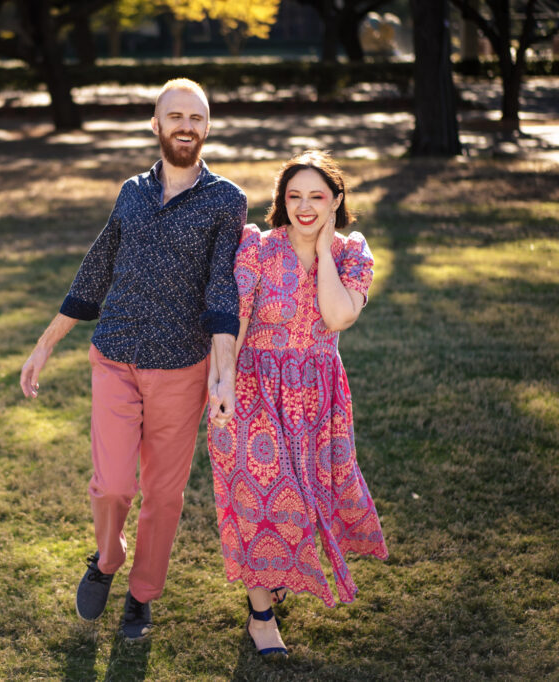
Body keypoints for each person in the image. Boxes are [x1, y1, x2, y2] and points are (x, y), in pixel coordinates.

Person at [19, 78, 247, 641]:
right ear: (156, 124)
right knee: (113, 486)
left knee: (164, 496)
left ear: (208, 127)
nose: (186, 127)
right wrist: (47, 342)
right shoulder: (131, 192)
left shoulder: (226, 201)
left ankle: (141, 597)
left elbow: (223, 291)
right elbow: (97, 267)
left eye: (197, 117)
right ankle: (106, 556)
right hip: (115, 356)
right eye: (176, 116)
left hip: (182, 367)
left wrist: (223, 376)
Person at [207, 150, 388, 657]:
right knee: (259, 500)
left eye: (316, 196)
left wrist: (325, 251)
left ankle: (276, 574)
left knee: (303, 499)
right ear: (280, 201)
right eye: (294, 196)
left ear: (336, 201)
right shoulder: (257, 246)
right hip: (253, 387)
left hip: (317, 396)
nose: (304, 207)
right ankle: (261, 617)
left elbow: (336, 317)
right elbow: (236, 319)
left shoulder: (352, 252)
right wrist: (222, 383)